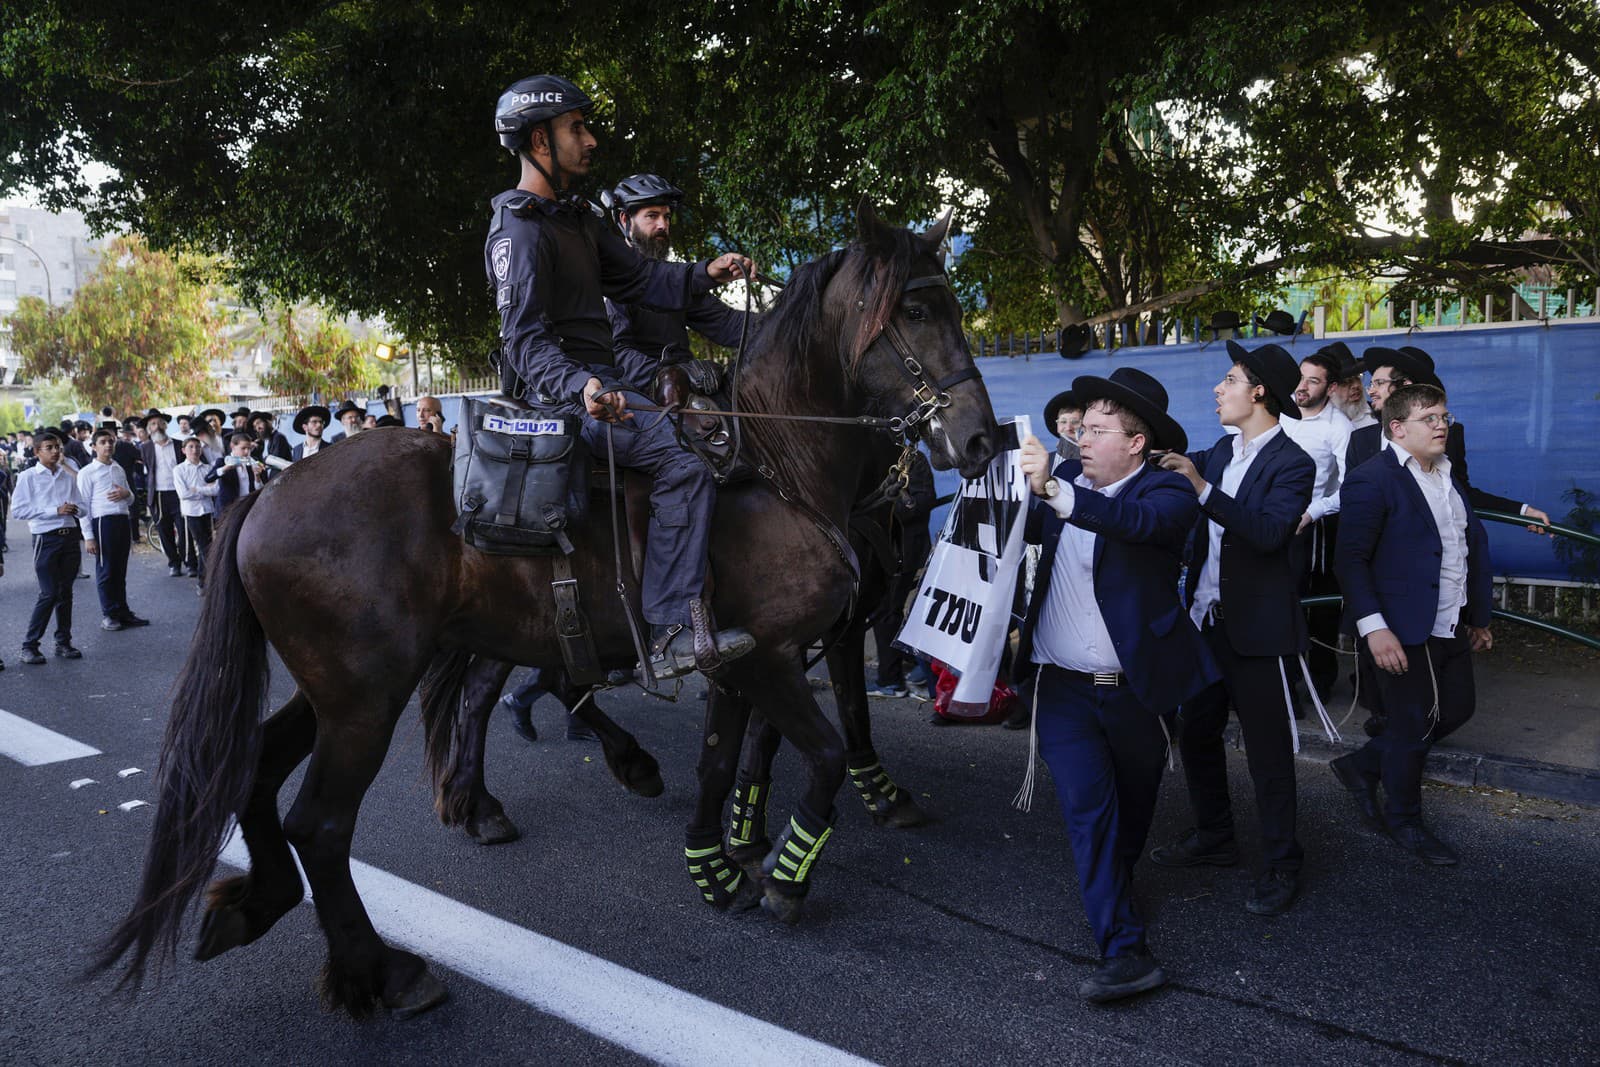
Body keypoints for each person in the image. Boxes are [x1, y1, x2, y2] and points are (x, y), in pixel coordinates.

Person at [487, 74, 756, 678]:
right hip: (564, 400)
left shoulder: (578, 219)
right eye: (576, 129)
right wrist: (584, 386)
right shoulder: (520, 228)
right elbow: (524, 341)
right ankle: (668, 632)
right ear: (539, 141)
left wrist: (706, 273)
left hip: (605, 389)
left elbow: (643, 281)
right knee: (683, 463)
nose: (591, 141)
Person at [1015, 367, 1219, 1004]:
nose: (1079, 439)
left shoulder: (1169, 492)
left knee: (1130, 815)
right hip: (1063, 689)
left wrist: (1055, 490)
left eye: (1096, 430)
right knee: (1088, 810)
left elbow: (1135, 526)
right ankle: (1124, 949)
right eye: (1079, 429)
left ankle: (1113, 888)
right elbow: (1008, 536)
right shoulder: (1060, 484)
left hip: (1138, 690)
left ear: (1136, 442)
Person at [1150, 341, 1316, 917]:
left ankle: (1281, 861)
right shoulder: (1221, 450)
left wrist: (1201, 488)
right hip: (1206, 622)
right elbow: (1175, 468)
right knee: (1196, 734)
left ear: (1259, 392)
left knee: (1268, 752)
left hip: (1259, 632)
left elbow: (1269, 533)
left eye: (1228, 379)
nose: (1218, 389)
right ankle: (1216, 837)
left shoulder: (1293, 462)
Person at [1333, 383, 1492, 866]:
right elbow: (1351, 560)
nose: (1442, 425)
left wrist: (1479, 617)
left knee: (1457, 709)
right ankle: (1405, 820)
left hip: (1451, 621)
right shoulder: (1371, 479)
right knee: (1412, 725)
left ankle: (1363, 764)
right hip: (1400, 625)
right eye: (1430, 418)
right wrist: (1374, 627)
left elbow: (1470, 548)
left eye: (1444, 415)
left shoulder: (1447, 475)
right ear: (1398, 428)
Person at [603, 173, 749, 386]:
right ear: (625, 220)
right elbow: (617, 354)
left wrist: (787, 321)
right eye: (652, 216)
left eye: (667, 217)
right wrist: (673, 375)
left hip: (682, 386)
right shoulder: (611, 278)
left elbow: (728, 324)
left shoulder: (672, 280)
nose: (663, 225)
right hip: (633, 394)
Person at [1280, 349, 1353, 702]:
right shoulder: (1278, 414)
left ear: (1331, 387)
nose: (1303, 386)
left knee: (1318, 607)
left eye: (1314, 380)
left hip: (1315, 528)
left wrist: (1315, 510)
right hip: (1273, 522)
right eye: (1301, 376)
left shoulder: (1339, 427)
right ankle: (1285, 685)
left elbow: (1350, 485)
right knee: (1282, 604)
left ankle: (1320, 684)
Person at [10, 431, 86, 664]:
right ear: (37, 452)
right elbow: (18, 511)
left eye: (58, 447)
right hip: (46, 538)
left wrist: (76, 509)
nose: (56, 451)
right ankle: (29, 645)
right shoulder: (28, 477)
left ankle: (63, 642)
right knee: (49, 593)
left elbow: (83, 507)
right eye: (50, 447)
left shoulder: (67, 476)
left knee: (66, 593)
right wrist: (55, 510)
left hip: (70, 536)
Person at [78, 428, 149, 631]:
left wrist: (126, 494)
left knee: (120, 570)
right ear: (93, 447)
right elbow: (83, 506)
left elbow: (132, 498)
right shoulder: (87, 472)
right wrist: (88, 537)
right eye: (103, 442)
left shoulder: (118, 468)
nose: (108, 445)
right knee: (106, 570)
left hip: (122, 520)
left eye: (111, 441)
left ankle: (122, 611)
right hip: (102, 522)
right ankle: (109, 614)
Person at [136, 409, 188, 577]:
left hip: (179, 493)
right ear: (148, 428)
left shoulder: (180, 444)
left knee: (184, 528)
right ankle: (174, 563)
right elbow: (145, 471)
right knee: (164, 531)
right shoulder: (145, 448)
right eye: (152, 424)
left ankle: (190, 562)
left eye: (159, 423)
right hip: (158, 494)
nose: (156, 426)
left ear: (165, 425)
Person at [174, 435, 219, 593]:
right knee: (204, 546)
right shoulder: (179, 470)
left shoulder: (207, 468)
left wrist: (198, 490)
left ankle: (202, 581)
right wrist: (205, 490)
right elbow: (183, 494)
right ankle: (212, 579)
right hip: (191, 512)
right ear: (184, 450)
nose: (195, 450)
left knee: (206, 545)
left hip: (207, 510)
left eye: (197, 447)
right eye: (191, 447)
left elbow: (215, 489)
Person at [207, 430, 272, 512]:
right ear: (232, 446)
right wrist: (225, 468)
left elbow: (260, 490)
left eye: (249, 448)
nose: (247, 452)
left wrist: (257, 477)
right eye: (243, 448)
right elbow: (208, 478)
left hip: (248, 508)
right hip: (227, 511)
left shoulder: (254, 461)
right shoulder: (222, 461)